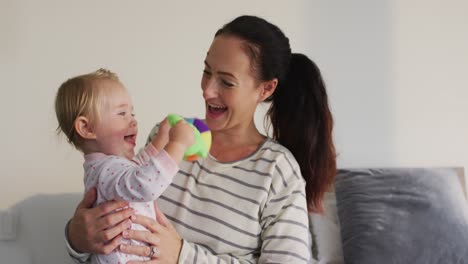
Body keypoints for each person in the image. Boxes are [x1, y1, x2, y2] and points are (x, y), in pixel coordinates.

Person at [66, 15, 336, 263]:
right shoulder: (168, 138)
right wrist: (76, 238)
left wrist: (182, 255)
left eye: (226, 82)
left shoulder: (278, 172)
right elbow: (111, 225)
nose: (207, 91)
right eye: (207, 71)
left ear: (265, 89)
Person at [55, 68, 195, 263]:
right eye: (122, 113)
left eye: (132, 113)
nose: (134, 121)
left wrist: (160, 141)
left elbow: (136, 169)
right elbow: (145, 184)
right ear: (87, 128)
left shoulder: (107, 167)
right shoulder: (106, 170)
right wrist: (177, 145)